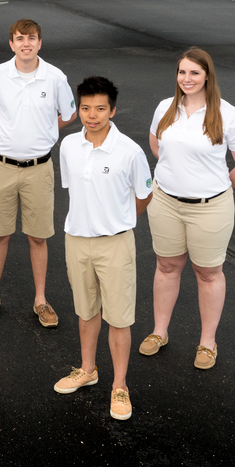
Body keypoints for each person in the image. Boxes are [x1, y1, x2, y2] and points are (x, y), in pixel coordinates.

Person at [139, 48, 235, 370]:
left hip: (210, 208)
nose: (187, 79)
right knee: (166, 266)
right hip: (164, 201)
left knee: (207, 273)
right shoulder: (166, 107)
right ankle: (159, 332)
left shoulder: (227, 114)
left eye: (194, 73)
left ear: (207, 76)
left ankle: (207, 343)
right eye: (182, 72)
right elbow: (156, 146)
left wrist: (215, 188)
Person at [54, 76, 152, 421]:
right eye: (85, 108)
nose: (91, 115)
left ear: (113, 110)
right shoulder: (68, 146)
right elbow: (74, 189)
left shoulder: (130, 152)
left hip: (116, 245)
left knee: (119, 318)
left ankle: (120, 385)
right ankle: (87, 369)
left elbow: (144, 194)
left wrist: (119, 220)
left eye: (99, 109)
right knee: (85, 312)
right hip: (76, 240)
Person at [0, 19, 76, 328]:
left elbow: (69, 114)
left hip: (39, 169)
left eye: (32, 38)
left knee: (38, 237)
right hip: (3, 167)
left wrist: (46, 132)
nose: (26, 43)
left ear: (40, 43)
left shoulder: (55, 77)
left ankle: (41, 300)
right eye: (20, 38)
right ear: (12, 44)